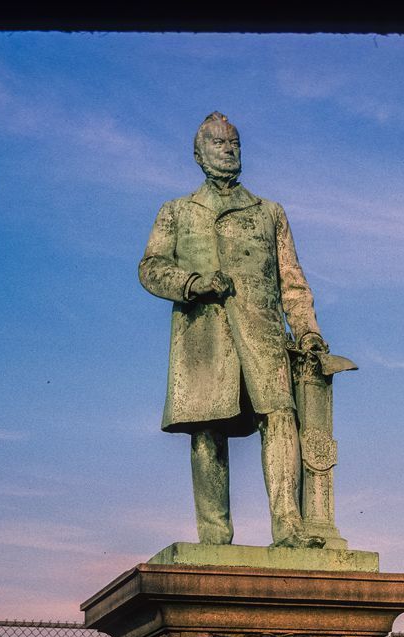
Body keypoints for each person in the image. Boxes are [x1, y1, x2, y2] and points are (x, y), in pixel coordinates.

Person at [139, 112, 327, 548]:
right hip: (202, 339)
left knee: (281, 417)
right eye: (220, 143)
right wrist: (191, 283)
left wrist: (308, 332)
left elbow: (292, 282)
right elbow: (150, 268)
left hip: (262, 334)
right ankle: (214, 538)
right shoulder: (177, 211)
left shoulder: (269, 213)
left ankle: (290, 528)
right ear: (198, 154)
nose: (229, 150)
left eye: (235, 144)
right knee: (207, 430)